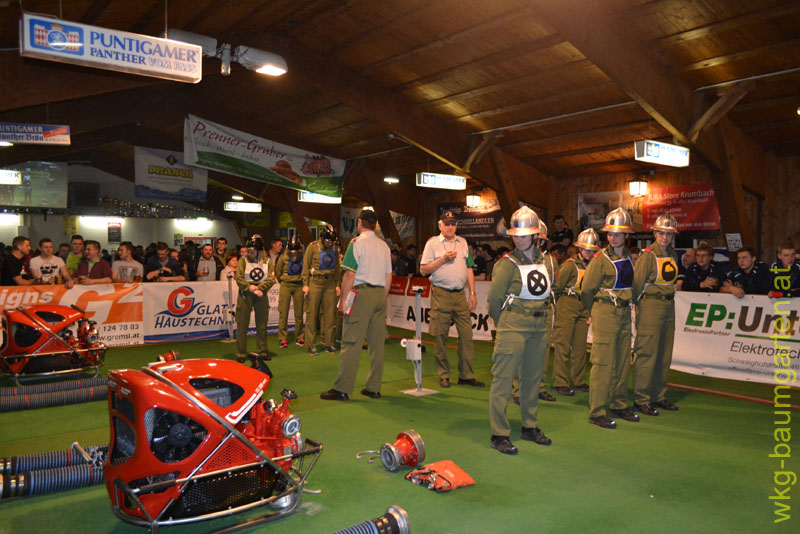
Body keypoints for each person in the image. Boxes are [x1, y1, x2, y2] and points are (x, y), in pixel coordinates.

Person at [486, 206, 554, 455]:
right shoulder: (506, 264)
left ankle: (530, 425)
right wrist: (504, 324)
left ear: (535, 235)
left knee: (532, 379)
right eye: (515, 235)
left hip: (539, 326)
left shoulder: (547, 262)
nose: (519, 239)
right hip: (513, 325)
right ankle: (499, 433)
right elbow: (494, 300)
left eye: (524, 235)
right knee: (503, 380)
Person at [321, 210, 392, 401]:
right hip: (380, 294)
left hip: (362, 294)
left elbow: (349, 274)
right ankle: (374, 388)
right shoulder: (384, 246)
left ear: (360, 222)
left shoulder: (356, 243)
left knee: (351, 342)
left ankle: (342, 389)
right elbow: (389, 276)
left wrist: (344, 301)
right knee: (377, 345)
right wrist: (382, 297)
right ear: (375, 225)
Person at [580, 207, 638, 429]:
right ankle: (597, 411)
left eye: (618, 234)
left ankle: (618, 404)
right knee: (603, 362)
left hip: (624, 312)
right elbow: (587, 290)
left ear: (626, 235)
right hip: (605, 311)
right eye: (610, 234)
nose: (613, 238)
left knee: (622, 360)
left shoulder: (629, 257)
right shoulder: (600, 259)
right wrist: (594, 311)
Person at [420, 211, 483, 388]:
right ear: (440, 225)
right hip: (441, 294)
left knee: (467, 335)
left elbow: (469, 268)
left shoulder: (463, 242)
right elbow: (423, 270)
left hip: (460, 294)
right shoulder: (432, 243)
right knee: (440, 336)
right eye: (447, 224)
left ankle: (466, 375)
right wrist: (442, 260)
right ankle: (444, 374)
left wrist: (472, 293)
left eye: (453, 224)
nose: (450, 227)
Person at [631, 213, 681, 417]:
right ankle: (641, 399)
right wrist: (639, 307)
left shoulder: (673, 254)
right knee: (647, 353)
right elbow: (637, 284)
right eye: (661, 233)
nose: (665, 237)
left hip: (669, 306)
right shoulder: (648, 256)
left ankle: (658, 396)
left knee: (664, 354)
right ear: (654, 233)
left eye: (668, 234)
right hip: (651, 306)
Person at [551, 228, 598, 396]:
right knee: (562, 345)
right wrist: (559, 305)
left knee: (580, 347)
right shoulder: (570, 265)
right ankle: (559, 382)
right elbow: (557, 286)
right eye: (586, 250)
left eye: (592, 250)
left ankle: (578, 380)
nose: (589, 253)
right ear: (579, 248)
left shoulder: (595, 266)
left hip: (584, 306)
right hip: (567, 304)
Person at [302, 224, 341, 355]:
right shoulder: (312, 247)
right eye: (328, 241)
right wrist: (305, 284)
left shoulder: (334, 248)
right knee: (312, 314)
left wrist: (337, 284)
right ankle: (311, 345)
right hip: (315, 282)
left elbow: (337, 267)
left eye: (332, 241)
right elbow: (306, 266)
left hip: (329, 283)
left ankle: (329, 343)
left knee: (330, 315)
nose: (330, 243)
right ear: (323, 238)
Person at [235, 235, 275, 362]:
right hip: (246, 294)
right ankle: (241, 354)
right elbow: (239, 278)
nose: (249, 253)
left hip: (261, 293)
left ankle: (262, 352)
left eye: (252, 251)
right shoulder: (243, 261)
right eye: (248, 251)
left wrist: (260, 288)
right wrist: (250, 288)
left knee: (262, 324)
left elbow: (271, 279)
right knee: (242, 324)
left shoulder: (267, 261)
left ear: (259, 251)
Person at [275, 235, 306, 349]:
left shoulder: (302, 257)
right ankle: (282, 338)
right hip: (286, 285)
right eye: (292, 251)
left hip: (299, 285)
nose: (293, 254)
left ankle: (300, 336)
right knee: (283, 312)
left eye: (295, 251)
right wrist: (284, 281)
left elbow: (305, 271)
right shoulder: (283, 258)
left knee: (299, 313)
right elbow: (278, 273)